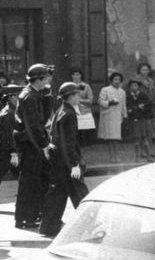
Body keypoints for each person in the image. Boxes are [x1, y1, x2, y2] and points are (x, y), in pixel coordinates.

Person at [39, 82, 88, 237]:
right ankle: (91, 227)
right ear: (71, 96)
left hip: (58, 161)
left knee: (57, 195)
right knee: (81, 196)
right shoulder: (69, 114)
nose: (79, 97)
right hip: (67, 162)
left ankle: (48, 227)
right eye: (77, 94)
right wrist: (74, 165)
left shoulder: (60, 111)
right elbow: (69, 143)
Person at [12, 63, 53, 230]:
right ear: (40, 79)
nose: (47, 81)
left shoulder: (32, 94)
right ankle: (25, 218)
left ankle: (27, 217)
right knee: (29, 182)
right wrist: (44, 145)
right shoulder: (31, 97)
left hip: (30, 142)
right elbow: (34, 125)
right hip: (30, 144)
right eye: (45, 78)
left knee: (32, 181)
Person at [97, 72, 126, 162]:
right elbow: (100, 101)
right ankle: (112, 157)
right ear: (111, 81)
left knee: (116, 138)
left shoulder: (122, 91)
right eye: (115, 80)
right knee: (110, 138)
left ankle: (117, 156)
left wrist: (124, 115)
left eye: (119, 80)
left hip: (117, 116)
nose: (117, 82)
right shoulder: (105, 90)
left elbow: (123, 104)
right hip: (108, 115)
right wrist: (109, 103)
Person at [125, 78, 155, 161]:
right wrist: (129, 110)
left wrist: (143, 106)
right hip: (134, 120)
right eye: (132, 86)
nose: (134, 87)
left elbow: (150, 104)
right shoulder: (128, 97)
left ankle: (148, 156)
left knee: (145, 139)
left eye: (135, 85)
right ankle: (137, 157)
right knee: (136, 140)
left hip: (143, 119)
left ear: (138, 87)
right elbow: (127, 107)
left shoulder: (143, 95)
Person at [70, 69, 96, 145]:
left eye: (77, 74)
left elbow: (90, 100)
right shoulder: (68, 86)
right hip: (72, 110)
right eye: (73, 74)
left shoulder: (86, 86)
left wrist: (80, 100)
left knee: (84, 133)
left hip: (84, 111)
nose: (75, 76)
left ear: (81, 75)